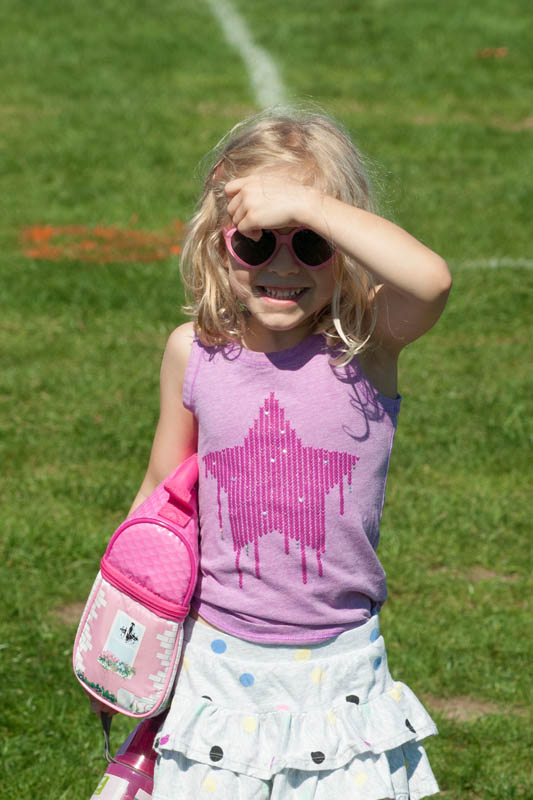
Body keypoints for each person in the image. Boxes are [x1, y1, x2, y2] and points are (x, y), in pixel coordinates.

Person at [94, 108, 452, 799]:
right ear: (218, 243)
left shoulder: (366, 345)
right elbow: (157, 497)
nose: (282, 266)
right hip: (215, 666)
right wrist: (121, 633)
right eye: (255, 243)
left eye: (310, 243)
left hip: (341, 670)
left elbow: (430, 281)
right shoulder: (193, 355)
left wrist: (308, 203)